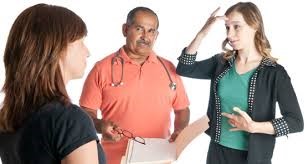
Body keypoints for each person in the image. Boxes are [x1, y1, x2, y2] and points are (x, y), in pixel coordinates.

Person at [176, 2, 303, 164]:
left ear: (254, 26)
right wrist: (202, 33)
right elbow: (184, 68)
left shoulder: (275, 73)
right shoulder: (221, 63)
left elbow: (296, 122)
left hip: (253, 157)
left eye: (237, 27)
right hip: (217, 152)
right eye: (227, 28)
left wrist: (254, 127)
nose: (230, 34)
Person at [80, 6, 190, 164]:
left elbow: (182, 109)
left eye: (151, 31)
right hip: (114, 160)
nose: (145, 36)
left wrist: (180, 130)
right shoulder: (102, 68)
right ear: (125, 29)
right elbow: (86, 112)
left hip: (160, 159)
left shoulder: (169, 69)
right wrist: (99, 125)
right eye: (139, 28)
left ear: (156, 35)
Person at [0, 3, 106, 164]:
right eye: (81, 42)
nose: (87, 52)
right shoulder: (71, 120)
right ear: (58, 48)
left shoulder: (8, 117)